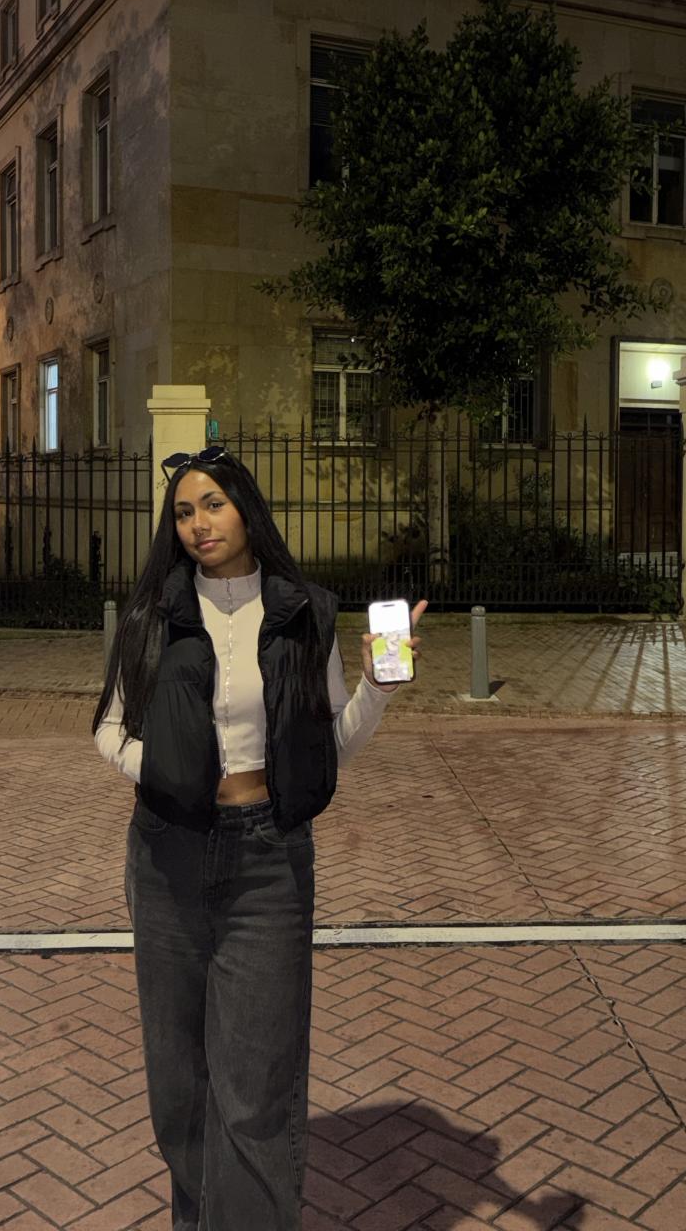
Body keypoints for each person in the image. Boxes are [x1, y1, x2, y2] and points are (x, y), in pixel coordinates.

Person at [93, 446, 425, 1231]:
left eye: (213, 504)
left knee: (255, 1088)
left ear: (246, 510)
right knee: (179, 1088)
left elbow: (331, 742)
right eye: (184, 511)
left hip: (267, 858)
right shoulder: (153, 614)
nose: (198, 523)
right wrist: (163, 772)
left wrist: (380, 687)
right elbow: (108, 727)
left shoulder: (302, 613)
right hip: (167, 854)